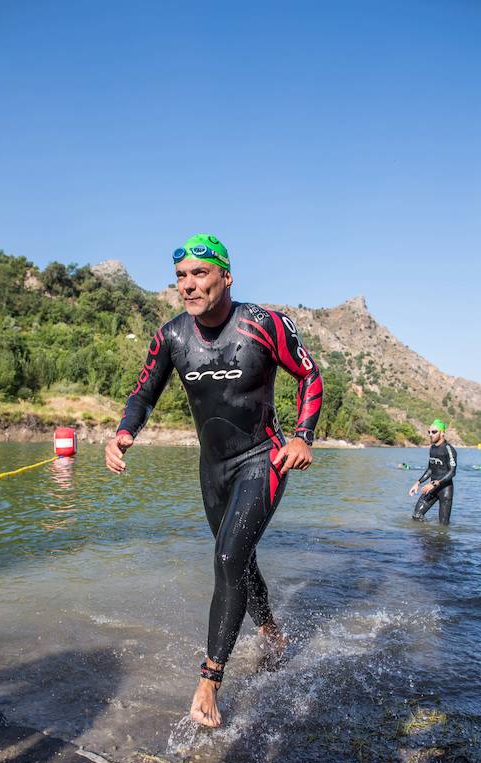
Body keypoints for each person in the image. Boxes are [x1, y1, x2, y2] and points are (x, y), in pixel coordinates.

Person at [105, 234, 323, 727]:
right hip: (213, 469)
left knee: (227, 556)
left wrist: (303, 436)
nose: (189, 285)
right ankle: (271, 634)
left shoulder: (264, 324)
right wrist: (124, 431)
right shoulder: (172, 337)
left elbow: (310, 377)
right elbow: (143, 394)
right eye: (181, 276)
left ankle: (209, 681)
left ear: (226, 275)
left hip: (263, 457)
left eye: (200, 273)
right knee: (238, 561)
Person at [409, 419, 457, 524]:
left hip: (445, 490)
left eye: (434, 432)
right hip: (432, 487)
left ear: (442, 433)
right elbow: (430, 469)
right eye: (429, 432)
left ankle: (439, 540)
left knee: (443, 526)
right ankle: (426, 535)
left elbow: (452, 472)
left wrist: (435, 483)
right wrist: (418, 482)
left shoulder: (449, 449)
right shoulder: (432, 448)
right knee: (416, 516)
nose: (430, 434)